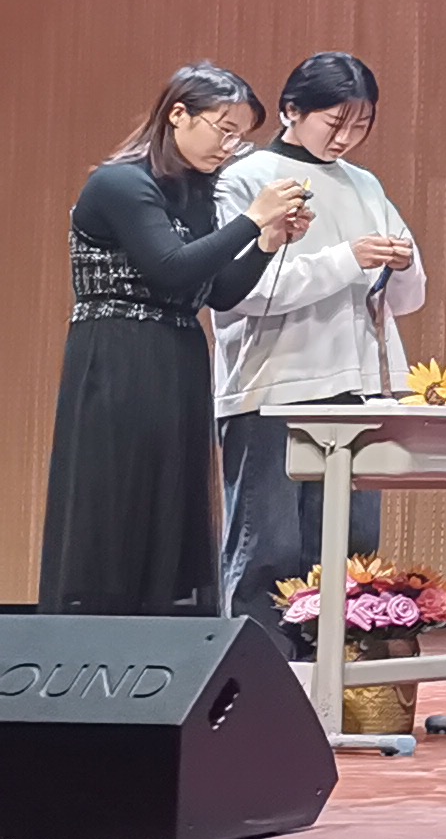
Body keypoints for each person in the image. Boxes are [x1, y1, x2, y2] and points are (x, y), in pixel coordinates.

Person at [40, 63, 310, 614]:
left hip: (180, 353)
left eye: (239, 137)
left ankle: (159, 623)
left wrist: (267, 242)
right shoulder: (120, 183)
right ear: (178, 115)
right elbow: (169, 269)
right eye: (224, 130)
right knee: (116, 495)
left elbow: (220, 291)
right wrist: (251, 220)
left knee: (171, 499)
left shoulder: (197, 193)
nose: (229, 148)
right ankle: (98, 625)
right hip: (117, 353)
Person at [210, 52, 426, 631]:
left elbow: (406, 300)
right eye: (334, 123)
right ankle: (256, 671)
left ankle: (336, 669)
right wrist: (348, 258)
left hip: (359, 387)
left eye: (361, 126)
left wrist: (402, 264)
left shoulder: (364, 184)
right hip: (272, 386)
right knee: (268, 546)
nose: (345, 139)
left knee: (350, 547)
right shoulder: (248, 177)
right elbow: (243, 291)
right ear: (291, 110)